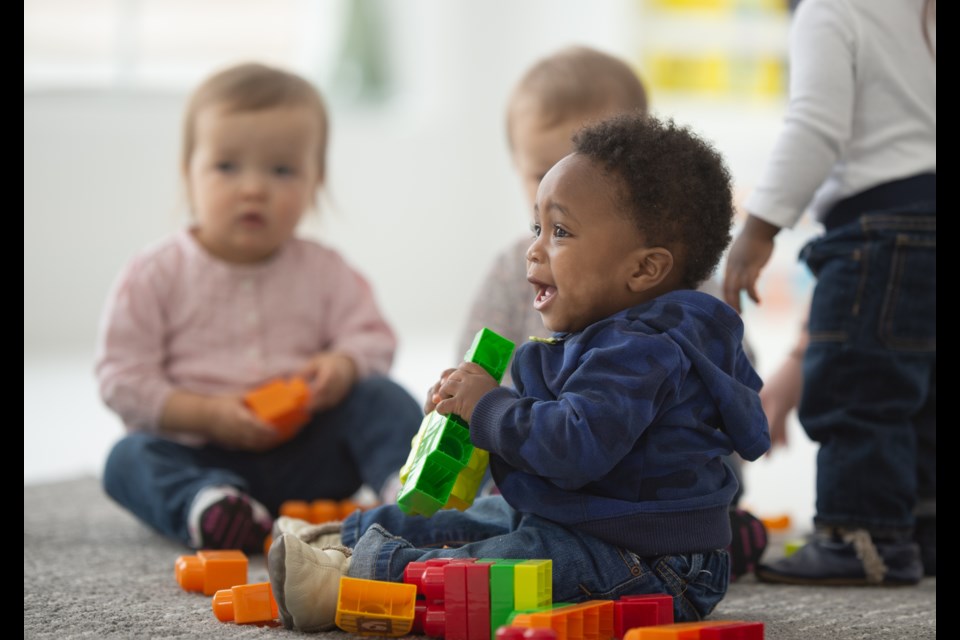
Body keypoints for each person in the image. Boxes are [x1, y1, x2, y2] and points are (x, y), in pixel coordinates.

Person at [266, 113, 771, 632]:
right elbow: (551, 438)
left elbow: (572, 448)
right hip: (586, 522)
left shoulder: (644, 352)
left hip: (652, 563)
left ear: (643, 269)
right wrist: (464, 412)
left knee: (503, 560)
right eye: (537, 227)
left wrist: (489, 406)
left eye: (560, 232)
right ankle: (334, 540)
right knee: (476, 519)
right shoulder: (613, 335)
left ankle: (350, 578)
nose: (533, 249)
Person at [455, 45, 765, 578]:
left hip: (636, 496)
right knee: (478, 506)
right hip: (540, 454)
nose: (541, 244)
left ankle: (717, 529)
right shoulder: (517, 267)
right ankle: (351, 535)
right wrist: (471, 402)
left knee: (486, 556)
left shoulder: (680, 302)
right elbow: (478, 370)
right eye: (541, 178)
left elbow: (732, 394)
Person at [94, 62, 423, 555]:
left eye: (281, 170)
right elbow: (121, 380)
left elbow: (374, 337)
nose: (253, 188)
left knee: (384, 397)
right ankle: (209, 507)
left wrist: (342, 364)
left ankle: (406, 498)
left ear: (314, 182)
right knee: (127, 459)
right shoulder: (155, 274)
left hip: (307, 457)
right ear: (190, 174)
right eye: (227, 166)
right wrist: (206, 414)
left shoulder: (325, 270)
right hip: (197, 452)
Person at [723, 0, 935, 585]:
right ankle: (920, 529)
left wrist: (760, 228)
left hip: (877, 230)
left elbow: (816, 125)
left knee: (857, 384)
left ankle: (862, 539)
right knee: (920, 389)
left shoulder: (832, 9)